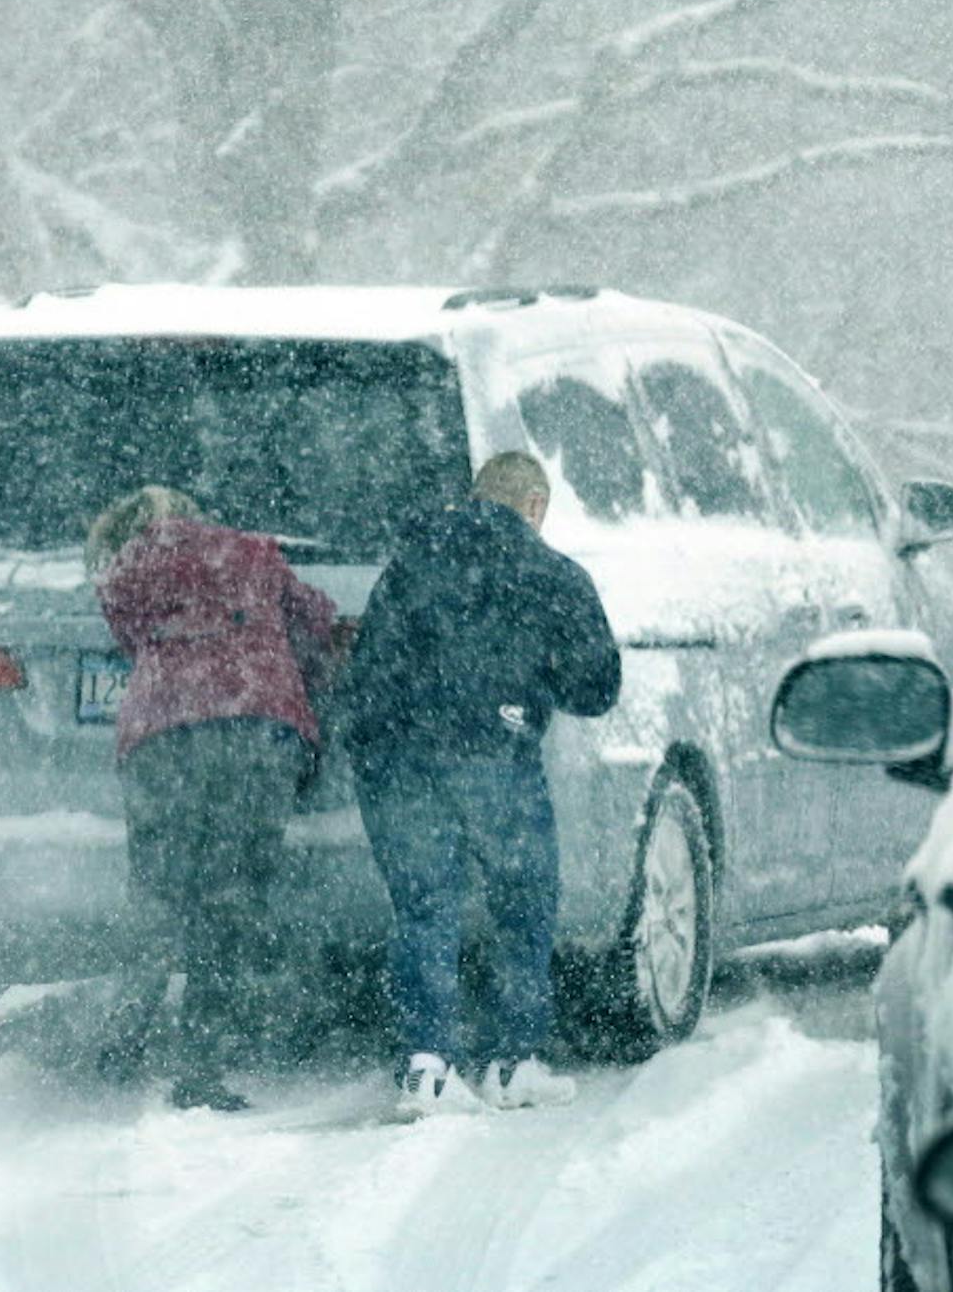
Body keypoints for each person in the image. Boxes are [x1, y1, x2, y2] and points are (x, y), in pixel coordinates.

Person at [341, 451, 621, 1116]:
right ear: (535, 506)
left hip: (397, 756)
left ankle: (427, 1066)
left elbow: (368, 666)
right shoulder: (553, 574)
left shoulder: (410, 561)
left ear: (474, 497)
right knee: (522, 904)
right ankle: (509, 1063)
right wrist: (529, 679)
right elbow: (597, 688)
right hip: (493, 752)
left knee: (424, 908)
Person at [90, 485, 338, 1111]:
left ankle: (123, 1034)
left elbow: (129, 638)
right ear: (196, 516)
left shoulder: (125, 570)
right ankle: (200, 1070)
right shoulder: (252, 553)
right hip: (254, 729)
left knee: (155, 894)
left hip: (159, 737)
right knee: (229, 902)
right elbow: (314, 620)